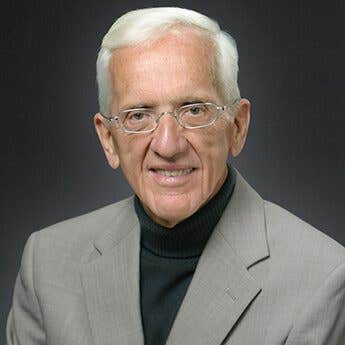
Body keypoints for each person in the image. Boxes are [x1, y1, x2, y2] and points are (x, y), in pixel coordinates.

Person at [6, 7, 345, 345]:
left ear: (237, 127)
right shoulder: (47, 265)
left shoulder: (321, 280)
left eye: (194, 110)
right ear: (108, 139)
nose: (168, 145)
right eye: (138, 115)